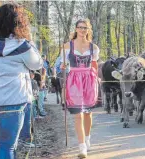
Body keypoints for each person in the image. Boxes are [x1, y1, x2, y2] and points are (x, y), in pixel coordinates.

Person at [0, 3, 43, 159]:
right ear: (20, 22)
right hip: (12, 99)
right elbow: (37, 63)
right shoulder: (22, 45)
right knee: (7, 146)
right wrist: (30, 41)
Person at [60, 19, 100, 158]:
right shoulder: (67, 46)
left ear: (88, 30)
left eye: (85, 28)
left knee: (88, 113)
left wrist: (96, 78)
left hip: (89, 80)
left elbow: (94, 64)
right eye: (80, 27)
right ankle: (82, 147)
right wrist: (63, 66)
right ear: (76, 29)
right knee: (78, 114)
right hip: (74, 80)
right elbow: (62, 65)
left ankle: (87, 138)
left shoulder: (93, 47)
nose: (83, 30)